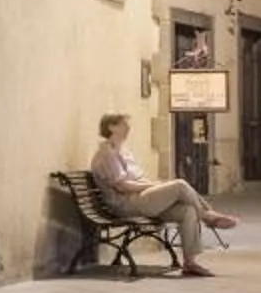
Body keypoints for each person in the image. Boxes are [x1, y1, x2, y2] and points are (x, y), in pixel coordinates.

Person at [89, 114, 237, 277]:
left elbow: (137, 178)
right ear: (111, 127)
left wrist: (155, 186)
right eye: (124, 125)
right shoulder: (107, 154)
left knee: (187, 210)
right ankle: (209, 217)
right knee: (179, 185)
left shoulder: (123, 151)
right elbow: (123, 186)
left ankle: (190, 262)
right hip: (126, 204)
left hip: (140, 198)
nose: (128, 128)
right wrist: (154, 186)